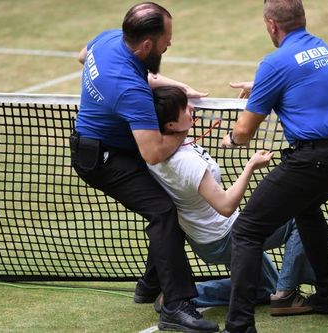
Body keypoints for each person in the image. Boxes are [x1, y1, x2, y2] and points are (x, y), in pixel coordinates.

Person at [69, 2, 219, 332]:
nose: (170, 43)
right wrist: (183, 130)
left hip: (112, 145)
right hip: (102, 159)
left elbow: (83, 56)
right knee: (164, 210)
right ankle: (175, 306)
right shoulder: (129, 89)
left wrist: (178, 87)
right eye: (167, 38)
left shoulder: (110, 39)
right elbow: (152, 153)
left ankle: (150, 286)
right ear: (147, 44)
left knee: (167, 205)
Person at [220, 1, 328, 332]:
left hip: (313, 160)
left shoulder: (274, 62)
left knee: (246, 231)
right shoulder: (320, 47)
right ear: (302, 19)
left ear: (271, 25)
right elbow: (301, 81)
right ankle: (327, 294)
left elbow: (244, 132)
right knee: (308, 211)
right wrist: (259, 88)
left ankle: (239, 325)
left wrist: (231, 139)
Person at [146, 86, 315, 316]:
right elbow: (225, 206)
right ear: (171, 125)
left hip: (207, 238)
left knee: (265, 287)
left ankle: (180, 294)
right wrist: (251, 166)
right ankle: (286, 295)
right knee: (302, 218)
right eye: (184, 108)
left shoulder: (153, 149)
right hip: (224, 237)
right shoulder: (185, 162)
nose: (192, 108)